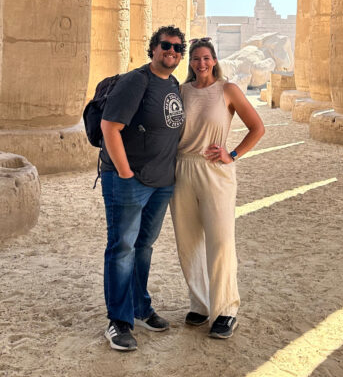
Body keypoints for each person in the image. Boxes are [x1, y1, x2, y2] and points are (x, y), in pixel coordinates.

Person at [171, 37, 265, 339]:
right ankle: (200, 304)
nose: (201, 63)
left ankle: (225, 311)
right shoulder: (181, 91)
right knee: (188, 242)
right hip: (182, 169)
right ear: (190, 62)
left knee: (221, 240)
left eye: (206, 58)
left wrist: (232, 154)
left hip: (215, 171)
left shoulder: (228, 90)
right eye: (196, 58)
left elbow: (257, 128)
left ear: (214, 60)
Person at [100, 26, 186, 351]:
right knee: (122, 247)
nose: (171, 51)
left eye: (177, 48)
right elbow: (110, 127)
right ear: (153, 48)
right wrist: (125, 173)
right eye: (165, 45)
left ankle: (139, 307)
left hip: (161, 182)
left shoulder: (173, 84)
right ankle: (118, 321)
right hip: (129, 179)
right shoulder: (136, 81)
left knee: (143, 246)